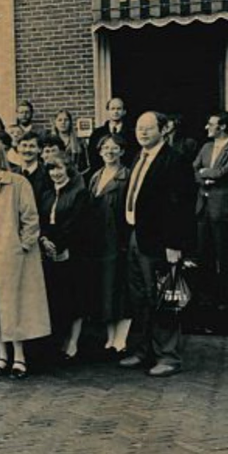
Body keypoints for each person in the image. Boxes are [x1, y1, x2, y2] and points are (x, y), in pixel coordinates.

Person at [119, 112, 196, 378]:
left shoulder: (175, 162)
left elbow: (181, 207)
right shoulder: (138, 157)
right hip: (135, 236)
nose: (141, 133)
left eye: (148, 128)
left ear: (163, 130)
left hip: (160, 242)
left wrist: (174, 244)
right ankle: (143, 351)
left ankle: (169, 356)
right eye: (139, 128)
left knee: (164, 297)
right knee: (139, 298)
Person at [0, 139, 49, 380]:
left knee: (13, 305)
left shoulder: (17, 182)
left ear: (0, 156)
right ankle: (1, 356)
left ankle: (19, 358)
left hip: (12, 252)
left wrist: (22, 245)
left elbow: (31, 218)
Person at [192, 111, 228, 335]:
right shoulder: (205, 147)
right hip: (204, 210)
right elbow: (194, 168)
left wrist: (208, 174)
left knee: (225, 260)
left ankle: (227, 315)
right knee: (203, 258)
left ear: (223, 127)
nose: (207, 127)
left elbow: (224, 173)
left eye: (211, 124)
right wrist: (205, 175)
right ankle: (205, 311)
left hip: (224, 211)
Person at [38, 155, 92, 362]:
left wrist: (60, 246)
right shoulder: (46, 194)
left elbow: (76, 224)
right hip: (48, 252)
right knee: (57, 298)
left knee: (75, 298)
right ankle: (58, 340)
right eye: (52, 169)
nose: (56, 173)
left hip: (73, 252)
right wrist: (44, 240)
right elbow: (41, 220)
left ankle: (73, 342)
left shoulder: (80, 194)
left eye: (59, 169)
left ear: (68, 170)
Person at [86, 134, 133, 354]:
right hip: (98, 241)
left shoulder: (127, 176)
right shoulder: (95, 176)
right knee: (105, 288)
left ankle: (121, 338)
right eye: (105, 148)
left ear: (122, 151)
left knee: (120, 289)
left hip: (118, 240)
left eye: (114, 148)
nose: (110, 152)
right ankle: (110, 337)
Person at [88, 97, 134, 171]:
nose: (115, 112)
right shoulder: (97, 134)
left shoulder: (132, 134)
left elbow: (133, 156)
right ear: (108, 111)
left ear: (124, 111)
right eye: (112, 109)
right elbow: (93, 156)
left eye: (119, 109)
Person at [17, 131, 52, 206]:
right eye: (24, 145)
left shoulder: (48, 174)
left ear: (39, 149)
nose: (27, 150)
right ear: (18, 148)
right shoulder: (11, 174)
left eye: (32, 146)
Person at [53, 109, 89, 175]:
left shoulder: (80, 142)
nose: (63, 122)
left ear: (70, 123)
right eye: (59, 120)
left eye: (66, 120)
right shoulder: (50, 142)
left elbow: (87, 166)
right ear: (55, 123)